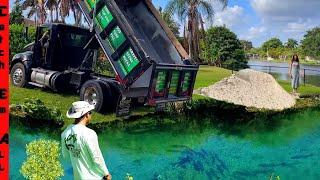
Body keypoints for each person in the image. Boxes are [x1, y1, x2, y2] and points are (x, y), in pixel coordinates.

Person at [61, 101, 112, 180]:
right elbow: (97, 158)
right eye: (90, 113)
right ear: (87, 114)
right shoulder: (89, 133)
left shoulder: (65, 133)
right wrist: (106, 173)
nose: (91, 115)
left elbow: (66, 156)